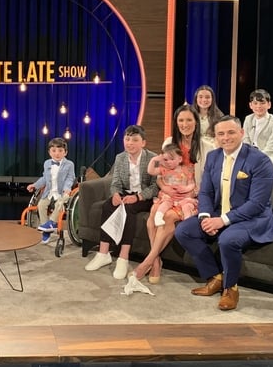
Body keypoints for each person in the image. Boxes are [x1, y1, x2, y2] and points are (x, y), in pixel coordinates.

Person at [174, 115, 273, 311]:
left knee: (228, 240)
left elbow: (256, 204)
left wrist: (222, 221)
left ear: (241, 133)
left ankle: (231, 289)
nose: (225, 137)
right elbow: (205, 191)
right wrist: (205, 216)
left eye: (231, 132)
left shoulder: (260, 161)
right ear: (215, 137)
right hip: (217, 213)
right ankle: (215, 277)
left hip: (252, 218)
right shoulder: (214, 156)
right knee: (183, 231)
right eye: (220, 134)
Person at [130, 104, 213, 285]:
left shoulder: (207, 146)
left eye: (189, 120)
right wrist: (164, 187)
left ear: (196, 123)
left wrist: (191, 191)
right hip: (169, 192)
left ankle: (148, 261)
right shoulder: (169, 143)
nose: (185, 124)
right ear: (176, 123)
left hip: (191, 195)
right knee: (152, 215)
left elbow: (207, 180)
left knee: (167, 216)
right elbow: (161, 175)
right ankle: (157, 262)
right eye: (181, 120)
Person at [84, 125, 158, 279]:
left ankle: (124, 257)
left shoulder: (153, 158)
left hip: (144, 197)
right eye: (127, 139)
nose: (130, 143)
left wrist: (138, 197)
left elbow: (155, 187)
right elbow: (116, 182)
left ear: (143, 143)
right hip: (126, 193)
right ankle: (103, 253)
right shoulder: (120, 157)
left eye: (134, 140)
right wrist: (116, 194)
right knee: (108, 205)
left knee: (129, 209)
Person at [27, 137, 76, 244]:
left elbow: (70, 178)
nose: (57, 153)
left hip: (62, 191)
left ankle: (52, 223)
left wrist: (67, 189)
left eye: (60, 151)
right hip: (49, 192)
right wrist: (34, 185)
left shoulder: (69, 164)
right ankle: (46, 230)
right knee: (41, 205)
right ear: (49, 152)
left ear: (65, 152)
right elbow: (44, 178)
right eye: (54, 151)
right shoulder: (47, 163)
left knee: (60, 202)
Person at [148, 143, 198, 228]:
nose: (169, 162)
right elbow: (151, 171)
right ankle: (158, 216)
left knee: (187, 206)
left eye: (172, 159)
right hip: (169, 196)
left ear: (179, 159)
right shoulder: (164, 169)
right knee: (165, 204)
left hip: (183, 197)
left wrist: (186, 189)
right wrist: (153, 160)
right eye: (166, 160)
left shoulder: (186, 170)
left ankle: (187, 223)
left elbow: (192, 183)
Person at [242, 89, 273, 170]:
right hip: (251, 157)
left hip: (269, 158)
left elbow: (271, 147)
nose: (258, 106)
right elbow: (245, 139)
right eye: (255, 103)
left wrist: (257, 157)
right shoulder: (248, 119)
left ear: (269, 105)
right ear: (250, 105)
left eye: (262, 103)